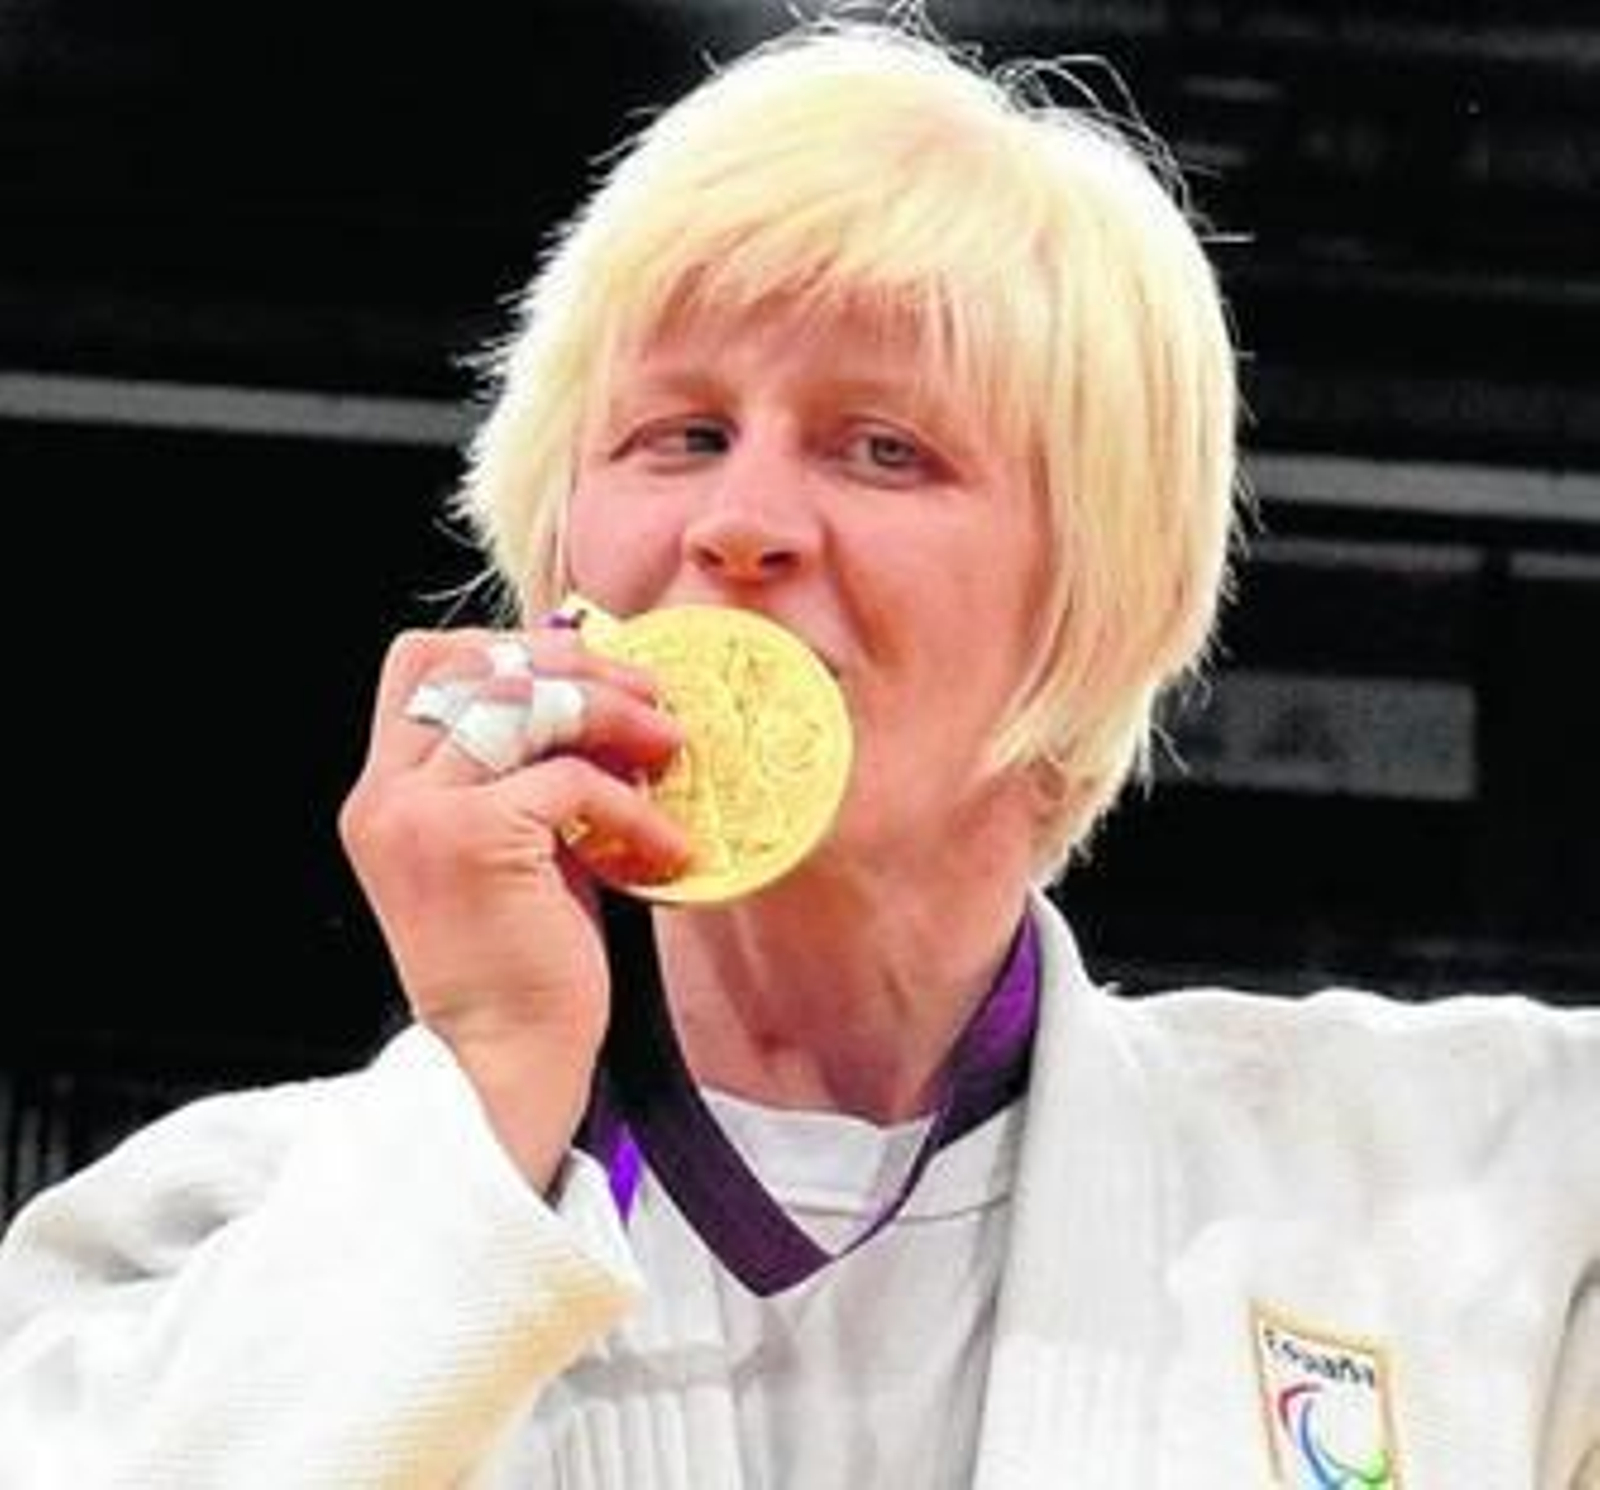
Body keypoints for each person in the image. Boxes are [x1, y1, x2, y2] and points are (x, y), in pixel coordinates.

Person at [1, 10, 1596, 1487]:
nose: (741, 521)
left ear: (1094, 592)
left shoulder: (1483, 1189)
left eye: (884, 449)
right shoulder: (182, 1252)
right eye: (678, 435)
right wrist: (489, 1078)